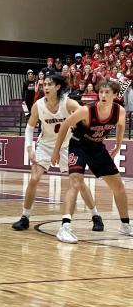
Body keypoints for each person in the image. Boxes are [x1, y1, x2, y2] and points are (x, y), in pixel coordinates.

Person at [12, 74, 103, 232]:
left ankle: (95, 215)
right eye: (44, 84)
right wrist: (29, 147)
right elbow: (29, 127)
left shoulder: (68, 104)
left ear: (58, 87)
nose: (45, 87)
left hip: (68, 145)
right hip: (46, 145)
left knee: (79, 183)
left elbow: (87, 117)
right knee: (34, 178)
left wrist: (84, 131)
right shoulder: (38, 105)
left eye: (49, 84)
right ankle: (25, 217)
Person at [51, 80, 133, 243]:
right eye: (101, 92)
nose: (103, 95)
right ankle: (65, 228)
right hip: (78, 145)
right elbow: (66, 124)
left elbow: (121, 126)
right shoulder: (86, 110)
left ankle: (125, 225)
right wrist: (56, 151)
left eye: (107, 92)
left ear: (115, 95)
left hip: (97, 148)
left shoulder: (120, 111)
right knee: (75, 182)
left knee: (119, 186)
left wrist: (118, 145)